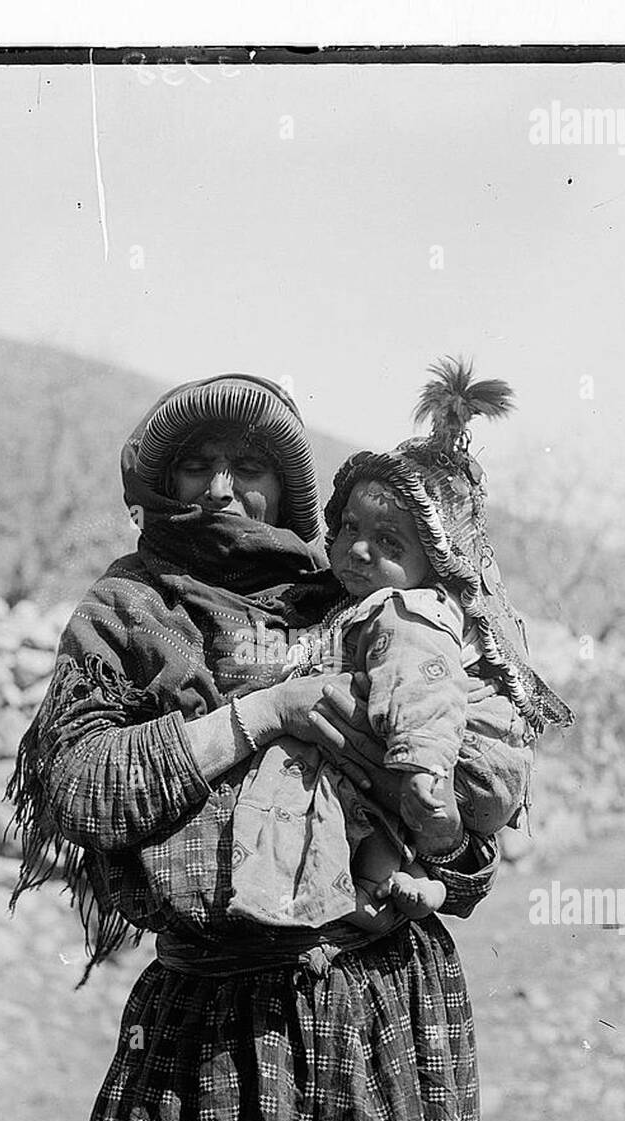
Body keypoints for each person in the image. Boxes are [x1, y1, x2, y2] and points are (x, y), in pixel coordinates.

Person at [8, 372, 501, 1121]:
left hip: (376, 1001)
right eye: (195, 465)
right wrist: (261, 712)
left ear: (288, 490)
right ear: (161, 487)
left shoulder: (357, 594)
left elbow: (466, 814)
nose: (223, 488)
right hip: (210, 1025)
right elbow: (77, 788)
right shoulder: (125, 611)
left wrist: (445, 844)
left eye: (250, 467)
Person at [229, 360, 573, 933]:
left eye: (388, 541)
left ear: (434, 560)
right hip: (452, 772)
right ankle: (412, 877)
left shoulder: (410, 611)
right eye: (350, 530)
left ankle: (364, 886)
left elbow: (421, 687)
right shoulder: (353, 602)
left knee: (332, 754)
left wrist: (422, 767)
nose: (359, 551)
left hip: (453, 760)